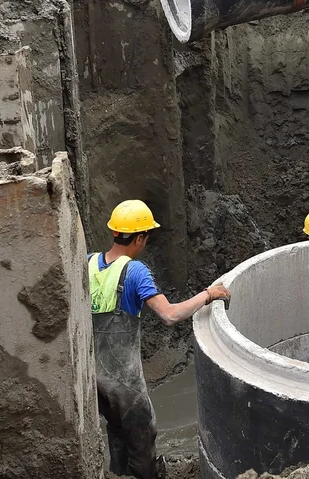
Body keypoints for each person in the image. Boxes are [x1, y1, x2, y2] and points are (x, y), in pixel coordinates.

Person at [90, 199, 231, 479]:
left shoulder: (88, 263)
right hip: (124, 382)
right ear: (139, 238)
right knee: (143, 435)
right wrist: (208, 294)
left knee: (116, 433)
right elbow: (169, 315)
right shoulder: (135, 272)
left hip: (93, 379)